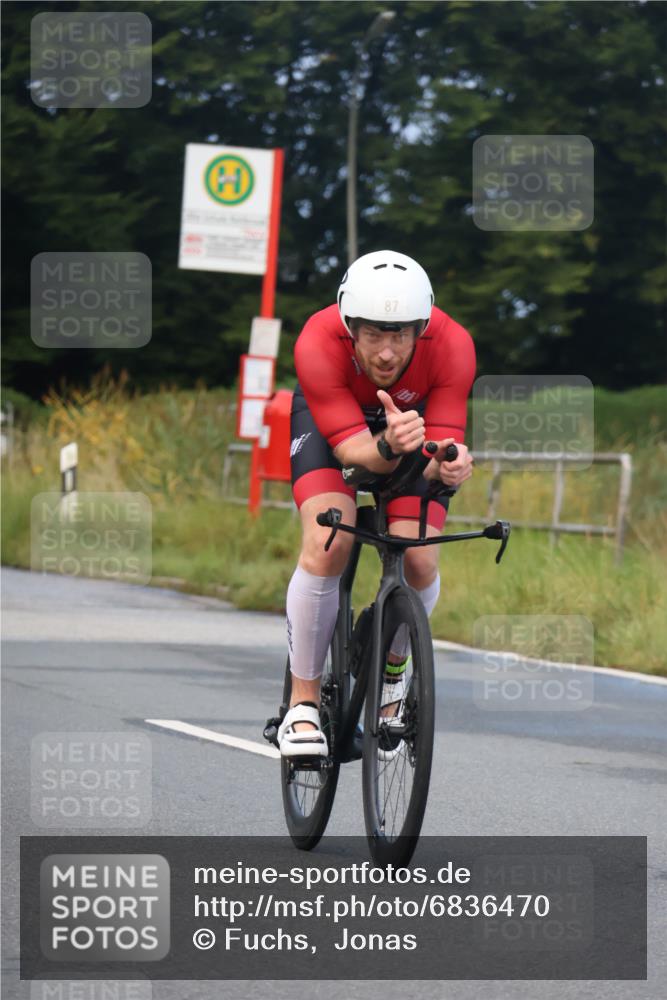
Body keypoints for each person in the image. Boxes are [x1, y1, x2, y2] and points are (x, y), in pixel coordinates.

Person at [278, 250, 475, 758]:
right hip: (333, 429)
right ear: (350, 327)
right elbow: (352, 456)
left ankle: (391, 674)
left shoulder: (453, 345)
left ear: (422, 328)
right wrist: (387, 443)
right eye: (373, 334)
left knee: (420, 559)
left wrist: (447, 464)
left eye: (401, 334)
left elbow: (442, 447)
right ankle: (302, 704)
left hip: (412, 427)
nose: (387, 352)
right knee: (329, 541)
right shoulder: (318, 340)